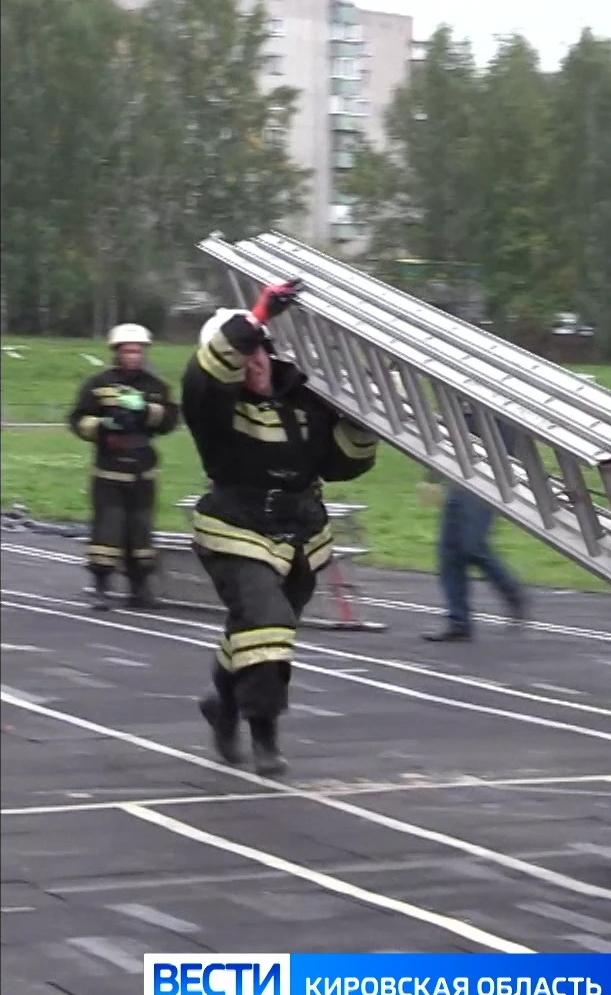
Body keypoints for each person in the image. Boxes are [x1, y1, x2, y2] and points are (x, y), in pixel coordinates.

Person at [180, 280, 383, 775]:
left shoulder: (303, 402)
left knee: (259, 631)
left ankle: (223, 705)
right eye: (245, 356)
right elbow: (204, 376)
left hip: (302, 534)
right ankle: (264, 733)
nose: (256, 362)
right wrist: (257, 315)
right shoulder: (215, 411)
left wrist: (364, 420)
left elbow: (343, 463)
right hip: (238, 529)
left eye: (261, 353)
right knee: (269, 622)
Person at [68, 323, 180, 609]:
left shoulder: (155, 387)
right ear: (117, 352)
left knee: (140, 530)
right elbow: (77, 419)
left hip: (143, 469)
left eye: (138, 350)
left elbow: (170, 420)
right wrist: (103, 428)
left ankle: (139, 587)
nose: (134, 355)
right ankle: (101, 586)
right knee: (108, 528)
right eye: (128, 350)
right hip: (109, 470)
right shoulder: (98, 385)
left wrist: (145, 412)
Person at [422, 405, 530, 642]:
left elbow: (499, 442)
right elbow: (450, 433)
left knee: (471, 544)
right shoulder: (457, 397)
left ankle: (512, 593)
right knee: (449, 551)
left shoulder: (497, 403)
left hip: (489, 479)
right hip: (460, 478)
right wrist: (432, 475)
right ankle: (458, 621)